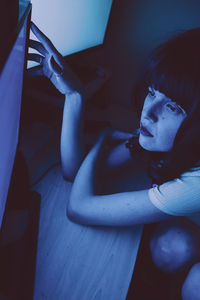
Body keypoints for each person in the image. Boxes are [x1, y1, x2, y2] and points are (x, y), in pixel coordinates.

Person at [28, 22, 200, 299]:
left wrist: (102, 138)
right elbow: (76, 170)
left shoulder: (196, 180)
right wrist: (75, 96)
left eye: (173, 107)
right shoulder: (180, 137)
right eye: (153, 92)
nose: (148, 114)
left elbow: (79, 208)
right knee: (171, 245)